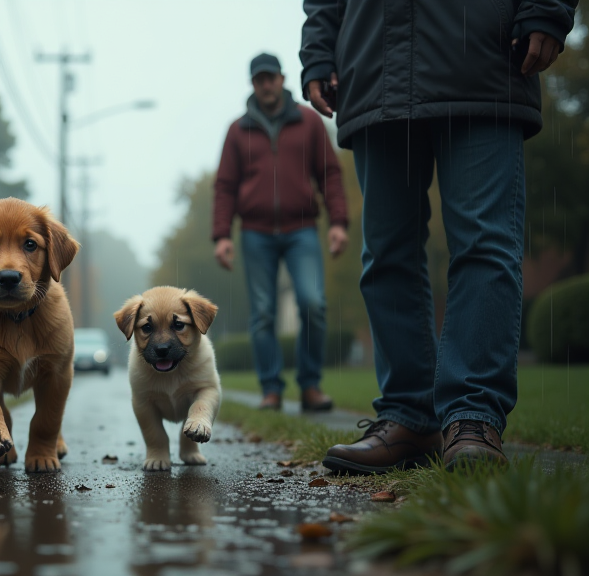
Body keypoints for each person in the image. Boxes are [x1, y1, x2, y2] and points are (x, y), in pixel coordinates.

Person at [301, 0, 578, 472]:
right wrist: (319, 49)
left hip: (484, 50)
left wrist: (547, 6)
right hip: (374, 66)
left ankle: (473, 417)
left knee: (484, 243)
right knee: (386, 255)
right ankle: (409, 416)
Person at [212, 52, 349, 413]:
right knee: (263, 314)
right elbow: (225, 185)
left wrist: (338, 222)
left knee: (313, 304)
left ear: (282, 79)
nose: (266, 84)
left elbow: (330, 174)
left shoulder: (308, 122)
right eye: (260, 79)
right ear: (253, 84)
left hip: (302, 228)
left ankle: (310, 386)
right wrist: (222, 235)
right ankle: (271, 389)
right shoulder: (237, 130)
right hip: (255, 233)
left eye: (271, 77)